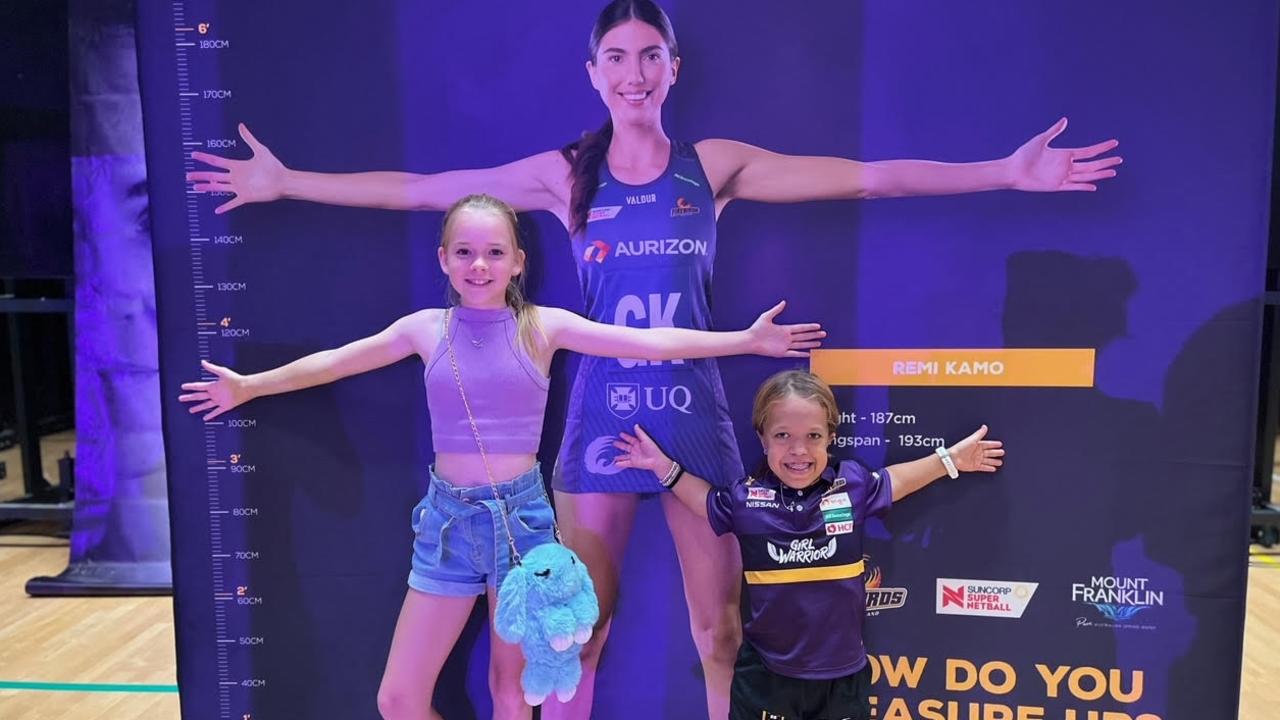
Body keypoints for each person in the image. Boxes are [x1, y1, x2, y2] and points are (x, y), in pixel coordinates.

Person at [185, 2, 1113, 715]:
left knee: (721, 630)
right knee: (574, 628)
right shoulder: (564, 172)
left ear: (675, 66)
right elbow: (421, 191)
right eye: (617, 57)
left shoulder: (714, 166)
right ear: (593, 71)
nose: (635, 73)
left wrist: (1004, 170)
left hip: (694, 421)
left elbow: (868, 175)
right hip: (597, 422)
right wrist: (286, 182)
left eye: (651, 55)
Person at [175, 194, 823, 720]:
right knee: (398, 700)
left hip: (523, 530)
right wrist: (248, 386)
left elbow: (649, 341)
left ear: (517, 261)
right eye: (464, 253)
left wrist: (744, 340)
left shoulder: (542, 327)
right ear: (444, 260)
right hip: (447, 528)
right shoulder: (423, 330)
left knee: (513, 696)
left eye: (492, 253)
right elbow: (335, 362)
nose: (478, 266)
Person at [611, 369, 1004, 720]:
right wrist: (662, 466)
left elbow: (896, 480)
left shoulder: (851, 485)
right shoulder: (747, 498)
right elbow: (704, 501)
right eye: (783, 436)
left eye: (812, 437)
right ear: (763, 439)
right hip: (766, 677)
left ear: (831, 438)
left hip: (842, 679)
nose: (798, 451)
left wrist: (949, 459)